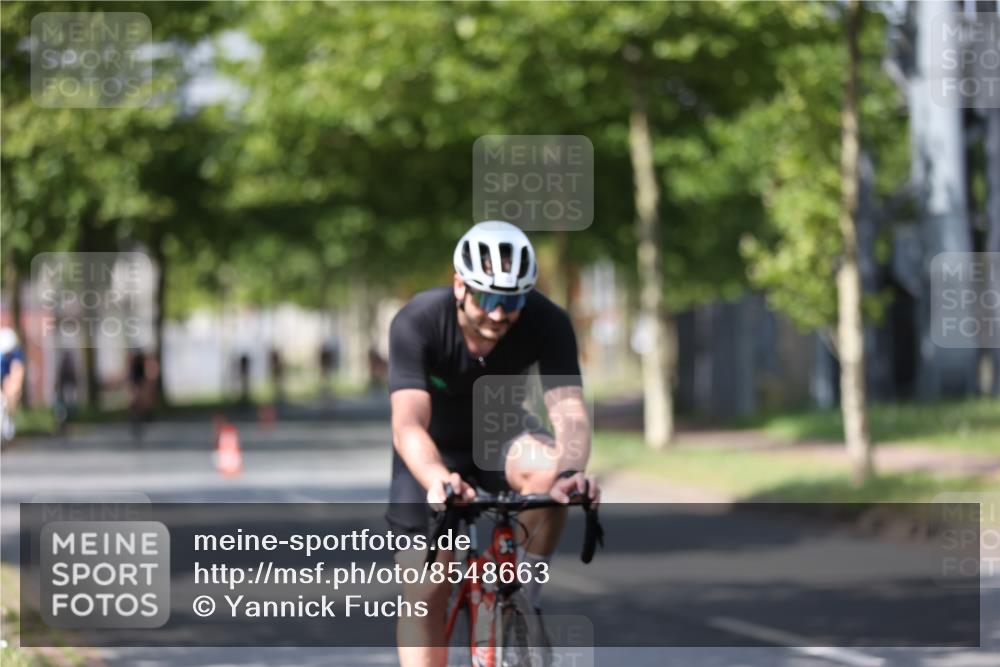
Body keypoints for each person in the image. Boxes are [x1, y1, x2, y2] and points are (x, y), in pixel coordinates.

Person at [386, 220, 600, 667]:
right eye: (488, 299)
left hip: (500, 439)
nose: (500, 314)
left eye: (513, 300)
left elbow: (569, 413)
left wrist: (569, 472)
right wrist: (439, 480)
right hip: (430, 454)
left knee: (550, 475)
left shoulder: (549, 321)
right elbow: (407, 423)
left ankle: (521, 593)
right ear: (459, 285)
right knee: (427, 589)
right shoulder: (419, 320)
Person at [0, 327, 26, 442]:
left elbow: (17, 373)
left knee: (12, 391)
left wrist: (12, 391)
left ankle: (10, 415)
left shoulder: (17, 354)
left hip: (9, 374)